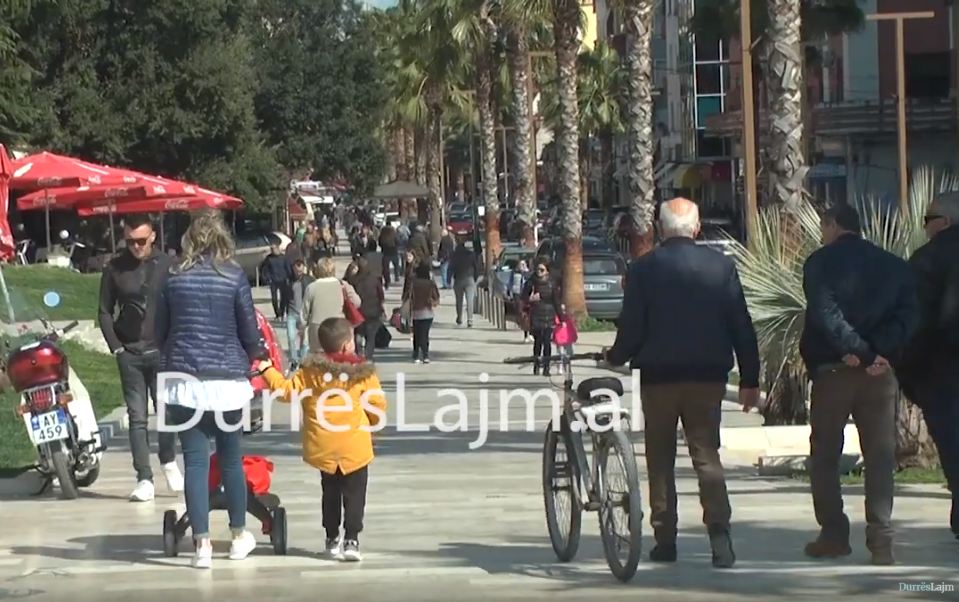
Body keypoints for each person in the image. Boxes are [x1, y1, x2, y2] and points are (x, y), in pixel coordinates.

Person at [603, 198, 759, 569]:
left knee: (660, 460)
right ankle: (719, 534)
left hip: (658, 380)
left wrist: (615, 356)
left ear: (659, 228)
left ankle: (665, 539)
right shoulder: (721, 267)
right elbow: (741, 324)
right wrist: (750, 379)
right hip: (708, 378)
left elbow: (633, 327)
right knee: (707, 456)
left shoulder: (644, 270)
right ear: (697, 227)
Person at [799, 203, 918, 566]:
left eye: (824, 226)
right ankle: (881, 541)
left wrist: (857, 351)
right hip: (880, 373)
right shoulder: (893, 265)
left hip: (835, 369)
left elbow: (825, 312)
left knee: (825, 455)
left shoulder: (820, 263)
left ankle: (834, 535)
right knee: (880, 457)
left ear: (833, 225)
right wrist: (880, 353)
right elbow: (908, 315)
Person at [154, 210, 262, 568]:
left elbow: (160, 331)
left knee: (196, 462)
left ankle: (201, 545)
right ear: (221, 239)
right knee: (230, 460)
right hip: (227, 380)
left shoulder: (173, 277)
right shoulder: (233, 276)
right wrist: (257, 358)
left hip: (185, 382)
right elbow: (249, 329)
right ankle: (237, 535)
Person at [258, 318, 387, 560]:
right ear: (348, 344)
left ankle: (331, 538)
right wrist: (372, 426)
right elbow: (377, 403)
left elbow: (285, 391)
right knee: (355, 493)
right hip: (355, 444)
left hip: (324, 445)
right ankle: (351, 540)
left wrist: (267, 369)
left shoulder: (310, 372)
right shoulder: (363, 374)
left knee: (330, 491)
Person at [98, 213, 181, 502]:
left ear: (153, 237)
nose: (136, 247)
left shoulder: (168, 266)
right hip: (130, 351)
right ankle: (144, 477)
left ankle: (168, 458)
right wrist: (116, 348)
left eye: (141, 241)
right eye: (131, 241)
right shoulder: (115, 269)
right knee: (137, 418)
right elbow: (104, 311)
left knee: (168, 412)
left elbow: (179, 304)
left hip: (160, 350)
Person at [898, 192, 959, 541]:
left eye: (928, 219)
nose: (924, 226)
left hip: (942, 373)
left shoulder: (927, 261)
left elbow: (913, 325)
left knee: (953, 447)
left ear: (944, 222)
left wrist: (910, 376)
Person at [304, 257, 361, 354]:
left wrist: (301, 327)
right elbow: (357, 302)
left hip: (317, 328)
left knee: (319, 358)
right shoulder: (342, 284)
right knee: (339, 355)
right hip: (338, 326)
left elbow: (304, 313)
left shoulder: (312, 287)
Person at [521, 259, 561, 376]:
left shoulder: (552, 283)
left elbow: (556, 301)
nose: (539, 272)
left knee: (547, 342)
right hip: (536, 315)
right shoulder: (531, 282)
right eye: (538, 269)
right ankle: (536, 365)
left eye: (542, 270)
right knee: (538, 341)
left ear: (547, 271)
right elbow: (523, 297)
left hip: (549, 315)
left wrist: (562, 318)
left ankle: (547, 368)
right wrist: (530, 299)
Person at [404, 261, 440, 364]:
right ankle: (425, 354)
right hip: (427, 312)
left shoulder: (413, 283)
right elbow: (436, 297)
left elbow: (408, 295)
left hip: (415, 312)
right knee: (425, 334)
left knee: (417, 334)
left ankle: (416, 354)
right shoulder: (430, 283)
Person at [350, 257, 386, 360]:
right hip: (373, 311)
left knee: (359, 332)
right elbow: (381, 295)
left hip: (359, 311)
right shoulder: (374, 279)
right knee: (371, 336)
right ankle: (368, 356)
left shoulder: (354, 280)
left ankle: (359, 351)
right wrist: (382, 308)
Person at [286, 259, 314, 370]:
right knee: (291, 337)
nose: (299, 272)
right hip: (292, 313)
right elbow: (285, 296)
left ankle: (302, 361)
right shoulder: (288, 280)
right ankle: (294, 360)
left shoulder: (309, 281)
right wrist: (281, 310)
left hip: (305, 314)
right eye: (297, 270)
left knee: (305, 341)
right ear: (293, 269)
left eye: (301, 270)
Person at [450, 237, 479, 328]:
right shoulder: (472, 255)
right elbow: (476, 267)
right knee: (470, 300)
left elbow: (451, 267)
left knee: (459, 300)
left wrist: (450, 278)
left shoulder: (455, 255)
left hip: (458, 279)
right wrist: (475, 277)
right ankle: (470, 319)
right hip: (469, 278)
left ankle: (459, 317)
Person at [259, 243, 293, 320]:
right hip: (273, 281)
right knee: (274, 299)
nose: (273, 250)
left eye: (274, 248)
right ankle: (277, 314)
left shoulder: (284, 257)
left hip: (283, 280)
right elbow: (263, 269)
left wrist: (289, 277)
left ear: (278, 249)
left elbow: (288, 268)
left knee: (283, 298)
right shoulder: (269, 258)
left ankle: (281, 312)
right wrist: (267, 278)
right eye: (272, 249)